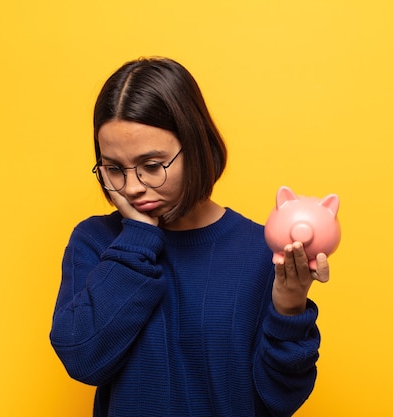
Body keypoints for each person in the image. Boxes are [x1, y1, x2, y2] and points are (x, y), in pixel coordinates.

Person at [50, 57, 330, 417]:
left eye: (152, 166)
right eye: (115, 169)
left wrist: (290, 307)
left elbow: (280, 398)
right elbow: (83, 359)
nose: (133, 188)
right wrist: (138, 237)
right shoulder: (96, 241)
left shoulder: (263, 252)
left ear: (196, 146)